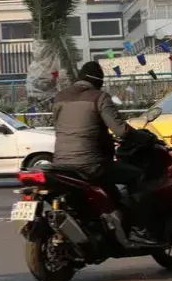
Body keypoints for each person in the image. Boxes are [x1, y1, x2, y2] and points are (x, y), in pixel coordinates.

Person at [52, 61, 156, 245]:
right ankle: (140, 230)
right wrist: (142, 137)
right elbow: (121, 130)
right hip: (91, 164)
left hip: (60, 165)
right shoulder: (99, 97)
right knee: (138, 176)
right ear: (98, 80)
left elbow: (60, 126)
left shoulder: (60, 97)